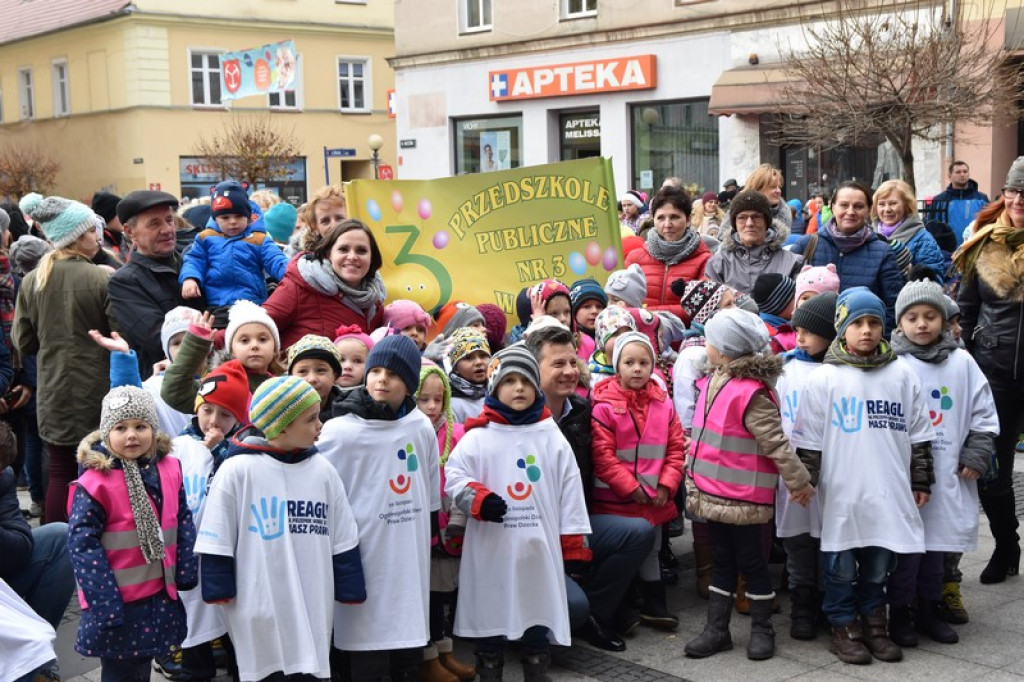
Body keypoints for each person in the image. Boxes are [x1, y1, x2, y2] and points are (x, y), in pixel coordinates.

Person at [791, 287, 935, 665]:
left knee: (878, 566)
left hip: (887, 489)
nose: (867, 331)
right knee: (838, 567)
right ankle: (843, 625)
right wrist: (805, 481)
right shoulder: (825, 378)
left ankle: (875, 624)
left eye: (874, 323)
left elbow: (920, 434)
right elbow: (809, 440)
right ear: (842, 328)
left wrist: (920, 480)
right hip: (842, 491)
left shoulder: (902, 373)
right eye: (857, 323)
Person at [195, 376, 366, 682]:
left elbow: (342, 534)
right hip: (257, 594)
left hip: (313, 594)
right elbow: (216, 533)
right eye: (311, 419)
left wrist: (349, 583)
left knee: (310, 667)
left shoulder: (323, 470)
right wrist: (217, 583)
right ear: (282, 426)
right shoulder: (237, 470)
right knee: (263, 668)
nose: (319, 426)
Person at [444, 345, 591, 680]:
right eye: (509, 381)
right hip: (491, 548)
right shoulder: (477, 437)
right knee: (490, 611)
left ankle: (536, 668)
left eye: (525, 380)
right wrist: (478, 499)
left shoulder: (550, 435)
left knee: (536, 609)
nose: (519, 388)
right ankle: (490, 669)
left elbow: (570, 488)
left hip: (537, 549)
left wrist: (573, 544)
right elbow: (454, 478)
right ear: (495, 387)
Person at [684, 308, 813, 661]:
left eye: (711, 339)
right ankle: (716, 629)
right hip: (711, 492)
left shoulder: (751, 392)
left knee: (752, 562)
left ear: (725, 350)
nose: (706, 345)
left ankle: (762, 628)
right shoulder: (712, 380)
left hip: (744, 497)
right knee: (723, 560)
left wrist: (798, 481)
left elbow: (775, 443)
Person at [319, 335, 439, 682]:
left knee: (406, 639)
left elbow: (430, 490)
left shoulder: (419, 426)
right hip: (363, 549)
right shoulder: (340, 431)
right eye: (376, 371)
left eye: (394, 374)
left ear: (410, 383)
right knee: (363, 638)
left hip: (407, 551)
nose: (382, 380)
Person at [888, 280, 997, 646]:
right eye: (913, 317)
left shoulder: (963, 362)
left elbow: (984, 413)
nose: (922, 324)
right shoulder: (891, 364)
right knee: (906, 551)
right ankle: (900, 611)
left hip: (948, 470)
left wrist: (977, 452)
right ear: (900, 322)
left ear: (944, 321)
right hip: (904, 476)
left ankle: (930, 609)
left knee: (936, 548)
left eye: (931, 317)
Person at [68, 385, 198, 681]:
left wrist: (187, 568)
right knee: (120, 670)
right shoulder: (95, 483)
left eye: (141, 426)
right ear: (106, 433)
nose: (131, 435)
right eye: (120, 427)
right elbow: (82, 545)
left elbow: (182, 518)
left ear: (153, 429)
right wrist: (104, 600)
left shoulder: (169, 467)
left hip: (157, 595)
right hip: (117, 600)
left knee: (141, 665)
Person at [13, 195, 119, 524]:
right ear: (74, 236)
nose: (96, 236)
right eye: (90, 231)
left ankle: (59, 540)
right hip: (97, 391)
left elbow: (23, 341)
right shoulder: (101, 278)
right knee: (100, 468)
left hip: (53, 390)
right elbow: (119, 335)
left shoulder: (33, 281)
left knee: (59, 471)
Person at [953, 155, 1024, 584]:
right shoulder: (982, 244)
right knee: (992, 472)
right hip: (994, 372)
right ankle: (1008, 546)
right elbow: (964, 310)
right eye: (1014, 192)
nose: (1019, 200)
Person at [591, 331, 685, 632]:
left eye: (644, 362)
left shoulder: (663, 404)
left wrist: (666, 485)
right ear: (616, 366)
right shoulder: (604, 405)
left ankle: (654, 601)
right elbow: (603, 456)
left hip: (654, 496)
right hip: (616, 499)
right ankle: (626, 602)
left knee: (654, 549)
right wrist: (630, 488)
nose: (637, 369)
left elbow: (675, 447)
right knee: (629, 550)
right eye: (629, 362)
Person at [774, 292, 837, 640]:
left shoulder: (840, 370)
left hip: (831, 474)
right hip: (793, 475)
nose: (799, 338)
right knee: (798, 542)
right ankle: (802, 603)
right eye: (797, 330)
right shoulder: (785, 368)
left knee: (829, 541)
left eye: (808, 331)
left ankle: (827, 603)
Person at [414, 365, 477, 682]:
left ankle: (443, 651)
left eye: (438, 399)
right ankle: (427, 658)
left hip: (445, 530)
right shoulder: (409, 430)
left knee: (441, 595)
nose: (432, 407)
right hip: (419, 531)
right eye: (424, 399)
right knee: (424, 597)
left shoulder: (457, 432)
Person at [108, 190, 204, 380]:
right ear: (129, 231)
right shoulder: (125, 282)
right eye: (154, 224)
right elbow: (161, 340)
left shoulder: (194, 265)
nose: (167, 229)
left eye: (169, 220)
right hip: (167, 387)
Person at [791, 181, 905, 333]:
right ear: (832, 207)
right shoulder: (807, 245)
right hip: (812, 345)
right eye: (844, 205)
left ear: (868, 210)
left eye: (858, 206)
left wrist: (877, 343)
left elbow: (893, 306)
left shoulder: (883, 252)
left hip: (864, 348)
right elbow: (789, 299)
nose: (850, 212)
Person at [264, 219, 385, 348]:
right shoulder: (298, 287)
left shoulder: (375, 302)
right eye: (343, 249)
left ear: (372, 258)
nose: (352, 257)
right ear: (328, 254)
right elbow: (254, 328)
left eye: (361, 250)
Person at [179, 180, 288, 309]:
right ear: (215, 219)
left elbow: (276, 260)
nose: (233, 222)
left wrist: (292, 273)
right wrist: (190, 278)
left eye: (239, 216)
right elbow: (194, 261)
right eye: (225, 217)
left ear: (248, 216)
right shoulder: (205, 238)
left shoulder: (259, 240)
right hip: (216, 304)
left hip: (251, 304)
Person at [162, 300, 283, 415]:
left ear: (275, 348)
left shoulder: (285, 384)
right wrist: (195, 345)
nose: (254, 345)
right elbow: (174, 394)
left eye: (263, 339)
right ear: (232, 350)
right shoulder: (220, 383)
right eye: (244, 341)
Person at [626, 186, 713, 322]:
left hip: (688, 340)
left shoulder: (705, 260)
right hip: (641, 339)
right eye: (661, 218)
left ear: (688, 219)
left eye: (674, 217)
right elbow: (622, 305)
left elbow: (702, 307)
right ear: (653, 219)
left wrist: (647, 314)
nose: (667, 224)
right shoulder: (635, 258)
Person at [705, 190, 803, 295]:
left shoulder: (793, 263)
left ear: (766, 222)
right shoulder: (718, 264)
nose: (749, 223)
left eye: (756, 217)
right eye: (742, 218)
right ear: (735, 223)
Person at [871, 180, 946, 282]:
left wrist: (912, 275)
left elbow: (934, 283)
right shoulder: (869, 235)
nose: (887, 209)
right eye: (881, 204)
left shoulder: (923, 240)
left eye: (893, 203)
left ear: (906, 206)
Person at [932, 161, 990, 247]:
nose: (962, 174)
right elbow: (933, 228)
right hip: (948, 253)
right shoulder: (939, 200)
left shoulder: (982, 199)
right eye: (958, 172)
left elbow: (989, 224)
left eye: (965, 171)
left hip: (976, 249)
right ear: (949, 176)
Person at [287, 334, 344, 422]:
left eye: (321, 370)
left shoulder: (347, 411)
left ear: (335, 376)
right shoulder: (280, 414)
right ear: (291, 377)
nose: (312, 379)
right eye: (303, 371)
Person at [445, 328, 491, 422]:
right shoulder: (451, 405)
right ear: (455, 368)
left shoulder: (498, 394)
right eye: (469, 358)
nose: (478, 362)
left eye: (483, 355)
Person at [751, 273, 797, 354]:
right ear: (780, 305)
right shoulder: (770, 340)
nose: (799, 301)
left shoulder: (791, 323)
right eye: (794, 297)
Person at [91, 191, 130, 259]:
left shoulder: (120, 238)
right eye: (119, 214)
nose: (124, 217)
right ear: (108, 216)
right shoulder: (98, 243)